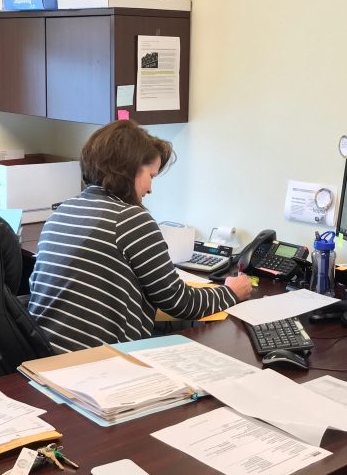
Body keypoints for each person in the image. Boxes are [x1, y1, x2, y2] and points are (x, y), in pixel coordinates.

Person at [28, 120, 252, 351]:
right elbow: (180, 303)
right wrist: (231, 292)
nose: (150, 189)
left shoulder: (63, 211)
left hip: (45, 353)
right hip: (94, 362)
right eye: (151, 176)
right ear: (129, 170)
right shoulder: (130, 218)